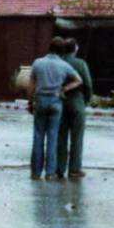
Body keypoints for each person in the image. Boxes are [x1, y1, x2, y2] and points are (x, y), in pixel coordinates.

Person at [28, 38, 82, 181]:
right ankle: (50, 172)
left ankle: (35, 172)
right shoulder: (64, 66)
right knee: (53, 137)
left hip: (40, 101)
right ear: (62, 51)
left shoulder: (37, 63)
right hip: (56, 101)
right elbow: (79, 80)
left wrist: (29, 102)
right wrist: (64, 88)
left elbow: (31, 85)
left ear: (49, 48)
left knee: (38, 136)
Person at [55, 37, 93, 179]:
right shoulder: (80, 63)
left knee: (61, 137)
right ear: (75, 49)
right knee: (77, 137)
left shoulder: (59, 63)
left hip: (60, 102)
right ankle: (74, 169)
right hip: (77, 102)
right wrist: (86, 100)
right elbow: (88, 84)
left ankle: (59, 168)